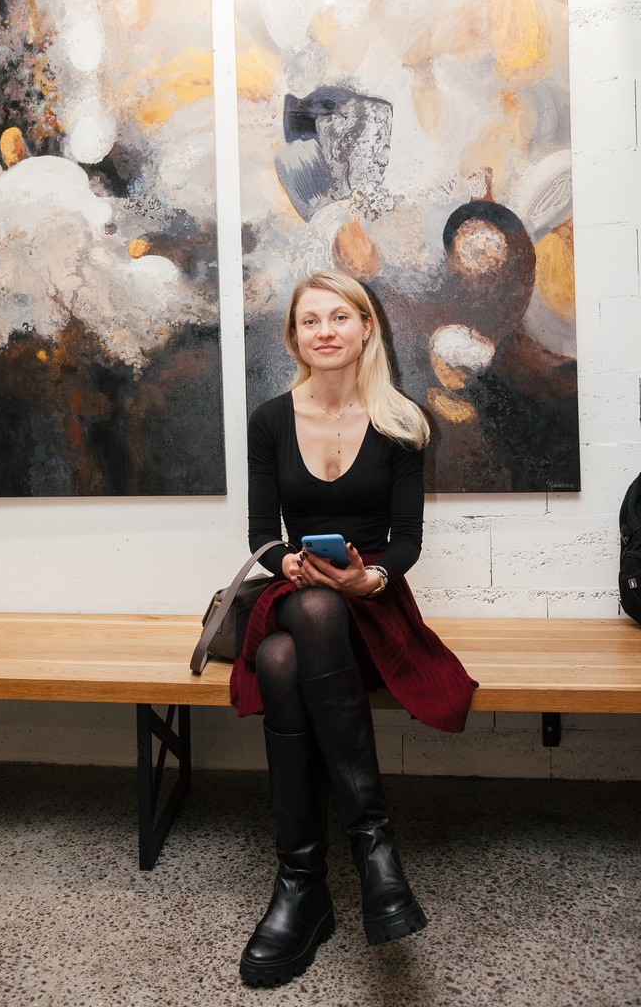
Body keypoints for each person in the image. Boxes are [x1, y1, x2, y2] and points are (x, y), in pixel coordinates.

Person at [231, 270, 476, 988]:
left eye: (340, 317)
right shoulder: (269, 421)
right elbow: (261, 536)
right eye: (310, 321)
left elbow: (406, 543)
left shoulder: (402, 421)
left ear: (367, 328)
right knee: (307, 616)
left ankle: (302, 885)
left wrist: (368, 579)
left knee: (284, 657)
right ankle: (372, 852)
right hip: (300, 592)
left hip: (372, 607)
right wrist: (291, 562)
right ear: (294, 337)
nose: (326, 331)